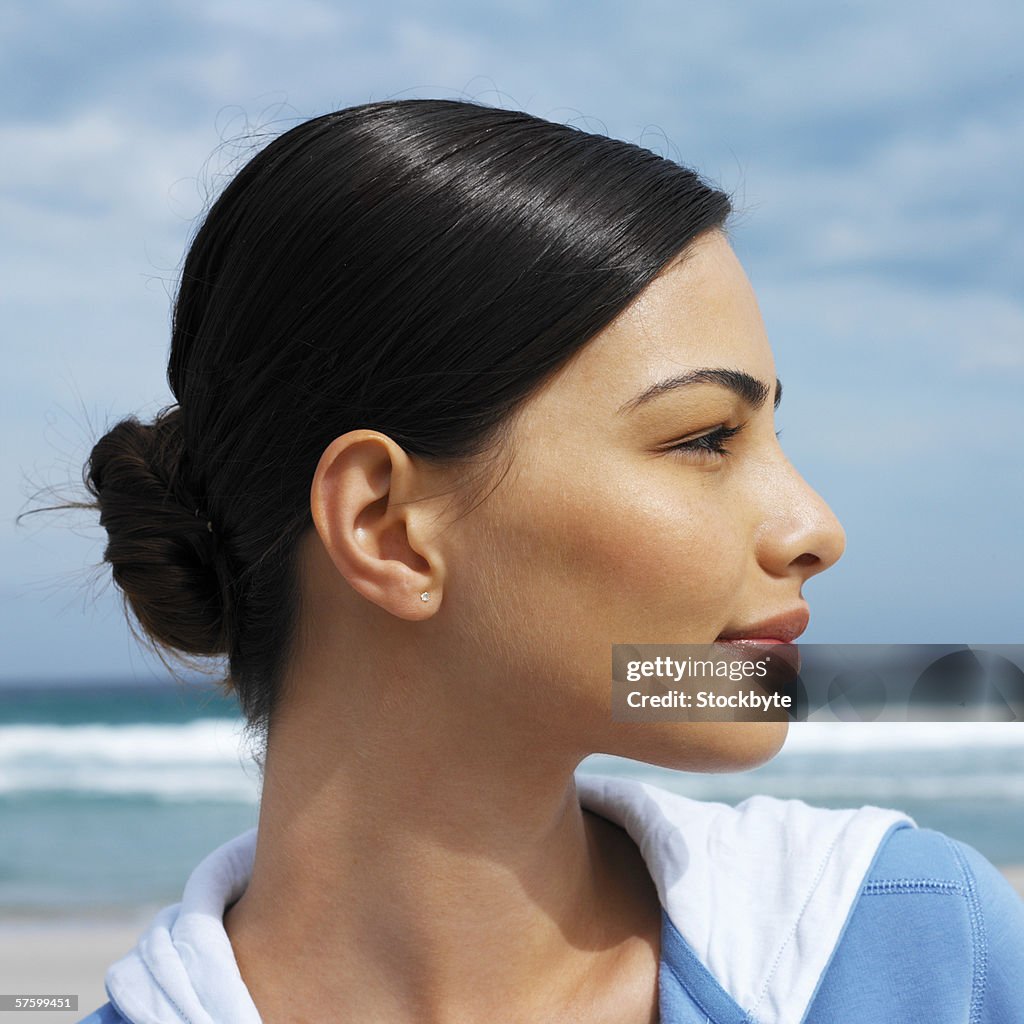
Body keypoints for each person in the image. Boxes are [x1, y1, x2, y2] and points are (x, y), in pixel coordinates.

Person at [73, 98, 1023, 1024]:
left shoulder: (916, 947)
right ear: (387, 528)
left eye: (772, 433)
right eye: (704, 438)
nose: (815, 528)